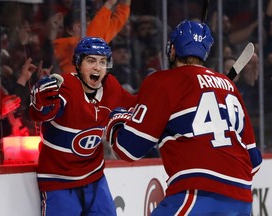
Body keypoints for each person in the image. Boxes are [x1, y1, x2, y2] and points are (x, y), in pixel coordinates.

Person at [105, 20, 263, 215]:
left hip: (197, 193)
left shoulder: (163, 81)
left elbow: (128, 150)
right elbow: (254, 161)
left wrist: (117, 118)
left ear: (172, 50)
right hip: (242, 200)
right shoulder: (228, 86)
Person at [29, 37, 136, 215]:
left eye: (103, 62)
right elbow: (42, 113)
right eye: (91, 60)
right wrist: (40, 103)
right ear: (78, 64)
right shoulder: (66, 87)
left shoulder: (111, 87)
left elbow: (136, 105)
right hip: (59, 181)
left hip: (94, 178)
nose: (97, 67)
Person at [53, 0, 132, 73]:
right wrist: (108, 5)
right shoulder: (61, 44)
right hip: (71, 86)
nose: (86, 27)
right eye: (81, 25)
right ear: (69, 30)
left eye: (89, 24)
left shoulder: (97, 39)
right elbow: (89, 41)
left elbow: (120, 16)